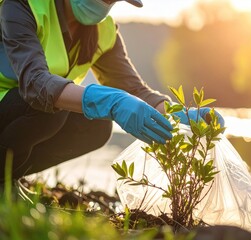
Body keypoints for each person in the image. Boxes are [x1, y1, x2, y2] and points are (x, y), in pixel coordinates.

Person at [0, 0, 224, 182]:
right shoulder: (22, 5)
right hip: (14, 103)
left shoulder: (103, 31)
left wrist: (180, 116)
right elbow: (35, 84)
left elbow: (134, 89)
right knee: (48, 108)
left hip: (21, 112)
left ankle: (9, 177)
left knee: (97, 126)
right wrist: (109, 101)